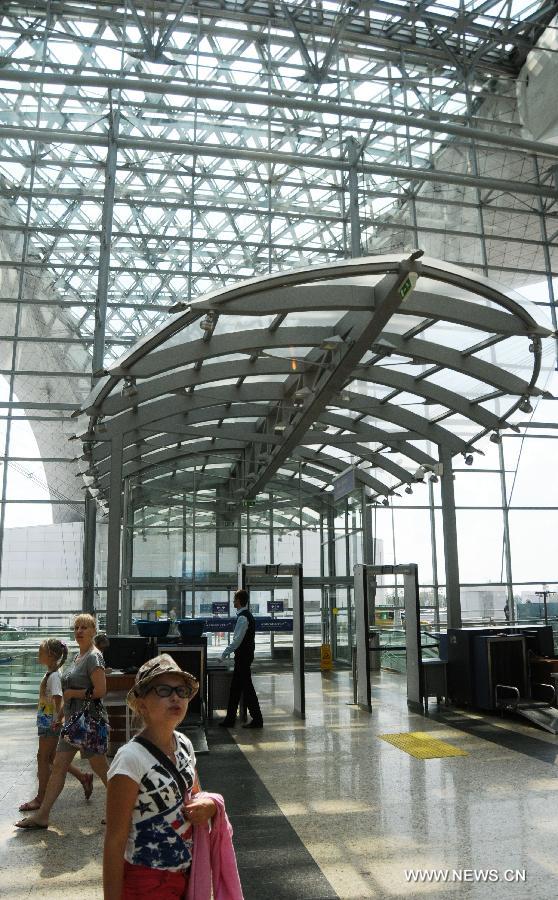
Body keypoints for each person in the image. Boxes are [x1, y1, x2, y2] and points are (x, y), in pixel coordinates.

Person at [103, 654, 217, 899]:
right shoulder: (130, 759)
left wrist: (209, 806)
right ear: (142, 703)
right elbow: (115, 840)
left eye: (181, 691)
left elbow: (196, 795)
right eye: (163, 690)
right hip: (146, 881)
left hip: (187, 874)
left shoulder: (184, 744)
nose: (175, 697)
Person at [15, 613, 109, 829]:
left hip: (89, 722)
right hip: (73, 722)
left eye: (84, 627)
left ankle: (123, 810)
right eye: (76, 627)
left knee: (101, 768)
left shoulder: (94, 657)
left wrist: (73, 694)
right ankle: (43, 816)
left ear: (94, 631)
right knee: (58, 766)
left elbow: (101, 690)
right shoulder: (78, 657)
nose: (79, 631)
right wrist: (61, 716)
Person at [18, 637, 94, 812]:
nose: (38, 654)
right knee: (51, 758)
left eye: (41, 651)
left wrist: (57, 721)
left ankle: (40, 798)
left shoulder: (53, 677)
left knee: (42, 758)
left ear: (51, 655)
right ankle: (83, 777)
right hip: (48, 722)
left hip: (49, 724)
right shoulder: (51, 674)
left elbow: (59, 699)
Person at [219, 589, 263, 729]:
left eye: (234, 599)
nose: (233, 601)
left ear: (239, 600)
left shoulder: (243, 617)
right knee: (236, 688)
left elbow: (237, 640)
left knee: (246, 688)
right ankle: (230, 719)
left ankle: (257, 719)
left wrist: (224, 654)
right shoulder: (245, 616)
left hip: (243, 657)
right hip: (244, 656)